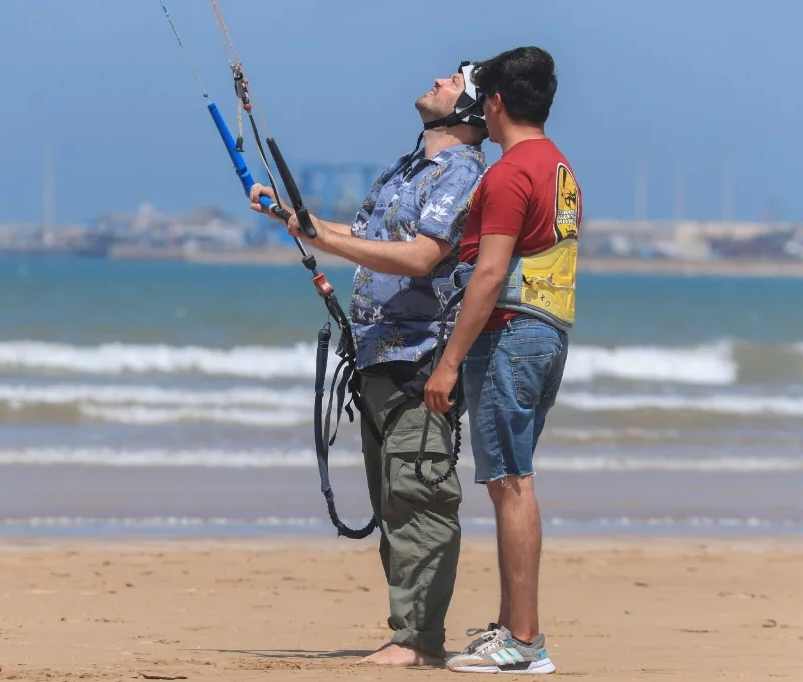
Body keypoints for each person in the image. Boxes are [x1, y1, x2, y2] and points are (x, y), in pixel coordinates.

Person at [248, 63, 488, 667]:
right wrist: (287, 216)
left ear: (474, 110)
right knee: (392, 503)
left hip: (421, 359)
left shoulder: (462, 172)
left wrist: (321, 237)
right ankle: (407, 631)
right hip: (378, 358)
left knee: (419, 497)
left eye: (456, 80)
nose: (439, 79)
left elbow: (419, 257)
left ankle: (416, 641)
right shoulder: (403, 170)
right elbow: (352, 239)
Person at [423, 46, 581, 674]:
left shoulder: (511, 172)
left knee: (509, 481)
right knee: (510, 477)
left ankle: (525, 640)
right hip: (547, 332)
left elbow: (489, 274)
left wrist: (447, 364)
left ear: (493, 104)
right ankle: (511, 629)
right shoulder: (558, 165)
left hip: (513, 333)